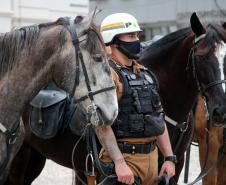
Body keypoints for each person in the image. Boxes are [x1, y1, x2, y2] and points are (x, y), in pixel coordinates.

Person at [95, 13, 176, 185]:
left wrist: (169, 157)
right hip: (124, 162)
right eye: (131, 36)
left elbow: (158, 118)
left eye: (137, 35)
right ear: (114, 40)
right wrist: (119, 163)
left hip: (152, 162)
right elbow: (102, 125)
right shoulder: (108, 75)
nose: (137, 40)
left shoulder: (145, 74)